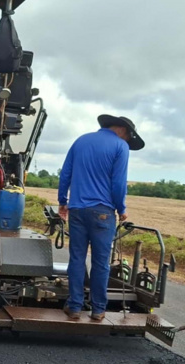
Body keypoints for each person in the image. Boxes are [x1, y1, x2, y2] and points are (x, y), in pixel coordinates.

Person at [57, 114, 144, 321]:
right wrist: (121, 208)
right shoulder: (120, 146)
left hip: (76, 210)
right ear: (124, 131)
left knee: (77, 258)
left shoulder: (81, 140)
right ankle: (98, 310)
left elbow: (65, 173)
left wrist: (63, 200)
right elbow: (118, 183)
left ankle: (75, 306)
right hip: (103, 213)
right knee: (101, 262)